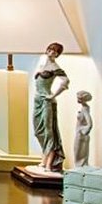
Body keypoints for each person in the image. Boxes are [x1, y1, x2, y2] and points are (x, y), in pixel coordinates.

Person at [32, 43, 70, 172]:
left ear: (58, 54)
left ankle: (48, 164)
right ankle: (44, 158)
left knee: (49, 132)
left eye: (55, 51)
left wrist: (53, 95)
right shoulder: (42, 63)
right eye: (50, 49)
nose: (52, 52)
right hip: (37, 100)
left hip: (46, 101)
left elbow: (65, 81)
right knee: (38, 131)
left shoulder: (54, 67)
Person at [73, 90, 93, 167]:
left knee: (79, 154)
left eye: (79, 98)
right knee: (77, 153)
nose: (77, 99)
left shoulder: (85, 109)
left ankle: (80, 167)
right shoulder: (84, 108)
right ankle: (80, 167)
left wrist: (83, 131)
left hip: (80, 135)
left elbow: (90, 124)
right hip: (79, 133)